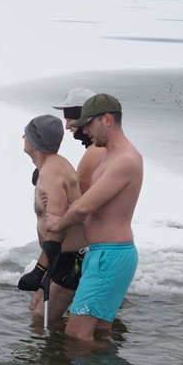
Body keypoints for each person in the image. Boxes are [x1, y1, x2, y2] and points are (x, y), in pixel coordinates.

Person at [46, 93, 143, 342]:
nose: (84, 130)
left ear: (107, 119)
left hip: (111, 256)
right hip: (101, 254)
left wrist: (59, 223)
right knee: (98, 334)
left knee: (76, 335)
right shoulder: (107, 155)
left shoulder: (125, 160)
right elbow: (87, 203)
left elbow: (82, 208)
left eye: (89, 124)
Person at [18, 115, 88, 324]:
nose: (23, 137)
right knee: (35, 311)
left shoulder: (52, 173)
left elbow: (57, 229)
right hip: (56, 257)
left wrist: (39, 272)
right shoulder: (47, 168)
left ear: (36, 141)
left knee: (42, 322)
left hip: (69, 259)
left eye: (27, 134)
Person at [52, 87, 105, 194]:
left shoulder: (95, 152)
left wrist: (49, 181)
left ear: (84, 118)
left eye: (69, 119)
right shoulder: (107, 147)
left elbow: (79, 201)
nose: (67, 127)